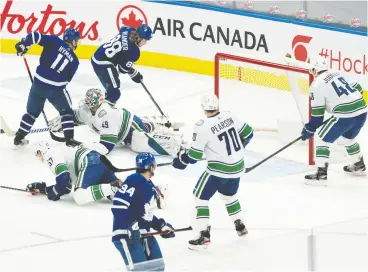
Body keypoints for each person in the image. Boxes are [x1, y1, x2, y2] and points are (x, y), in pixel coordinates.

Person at [172, 93, 253, 250]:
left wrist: (182, 160)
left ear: (203, 108)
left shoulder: (202, 126)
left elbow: (194, 156)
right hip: (238, 167)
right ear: (217, 106)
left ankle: (203, 235)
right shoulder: (230, 115)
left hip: (218, 170)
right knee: (229, 196)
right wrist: (235, 152)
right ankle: (240, 225)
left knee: (200, 198)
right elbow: (249, 134)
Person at [48, 88, 184, 156]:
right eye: (87, 101)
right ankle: (158, 123)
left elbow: (106, 146)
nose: (87, 104)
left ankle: (177, 144)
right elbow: (74, 117)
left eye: (90, 102)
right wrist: (63, 121)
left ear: (98, 103)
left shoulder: (106, 115)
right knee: (140, 133)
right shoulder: (87, 110)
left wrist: (85, 146)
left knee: (138, 142)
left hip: (131, 127)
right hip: (121, 124)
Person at [301, 56, 367, 185]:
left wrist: (309, 128)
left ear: (314, 70)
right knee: (346, 139)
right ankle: (359, 165)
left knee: (322, 140)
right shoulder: (338, 73)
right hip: (362, 111)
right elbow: (357, 88)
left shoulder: (316, 85)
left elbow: (317, 116)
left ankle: (321, 175)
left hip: (344, 116)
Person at [14, 28, 81, 147]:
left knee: (31, 113)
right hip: (56, 89)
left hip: (38, 83)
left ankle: (19, 137)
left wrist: (24, 45)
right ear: (73, 40)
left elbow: (35, 36)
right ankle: (69, 139)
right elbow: (67, 80)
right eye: (76, 40)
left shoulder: (54, 40)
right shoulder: (75, 61)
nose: (77, 42)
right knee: (66, 112)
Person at [112, 152, 175, 271]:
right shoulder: (134, 180)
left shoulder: (148, 185)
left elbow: (145, 213)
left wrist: (161, 226)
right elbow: (119, 204)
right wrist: (130, 227)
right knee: (140, 270)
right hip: (127, 235)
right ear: (151, 166)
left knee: (157, 267)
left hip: (143, 233)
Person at [26, 141, 122, 205]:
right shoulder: (60, 151)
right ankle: (122, 187)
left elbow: (63, 178)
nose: (39, 158)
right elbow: (66, 187)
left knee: (80, 196)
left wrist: (54, 192)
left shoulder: (49, 154)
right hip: (99, 161)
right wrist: (44, 189)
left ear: (40, 152)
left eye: (37, 155)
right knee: (118, 196)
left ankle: (114, 186)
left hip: (89, 161)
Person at [91, 24, 152, 105]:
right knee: (114, 94)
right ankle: (102, 114)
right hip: (103, 63)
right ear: (139, 38)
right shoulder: (134, 52)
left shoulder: (128, 30)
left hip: (99, 55)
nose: (145, 43)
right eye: (145, 40)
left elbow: (122, 28)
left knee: (112, 91)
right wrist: (133, 72)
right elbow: (122, 69)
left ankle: (104, 109)